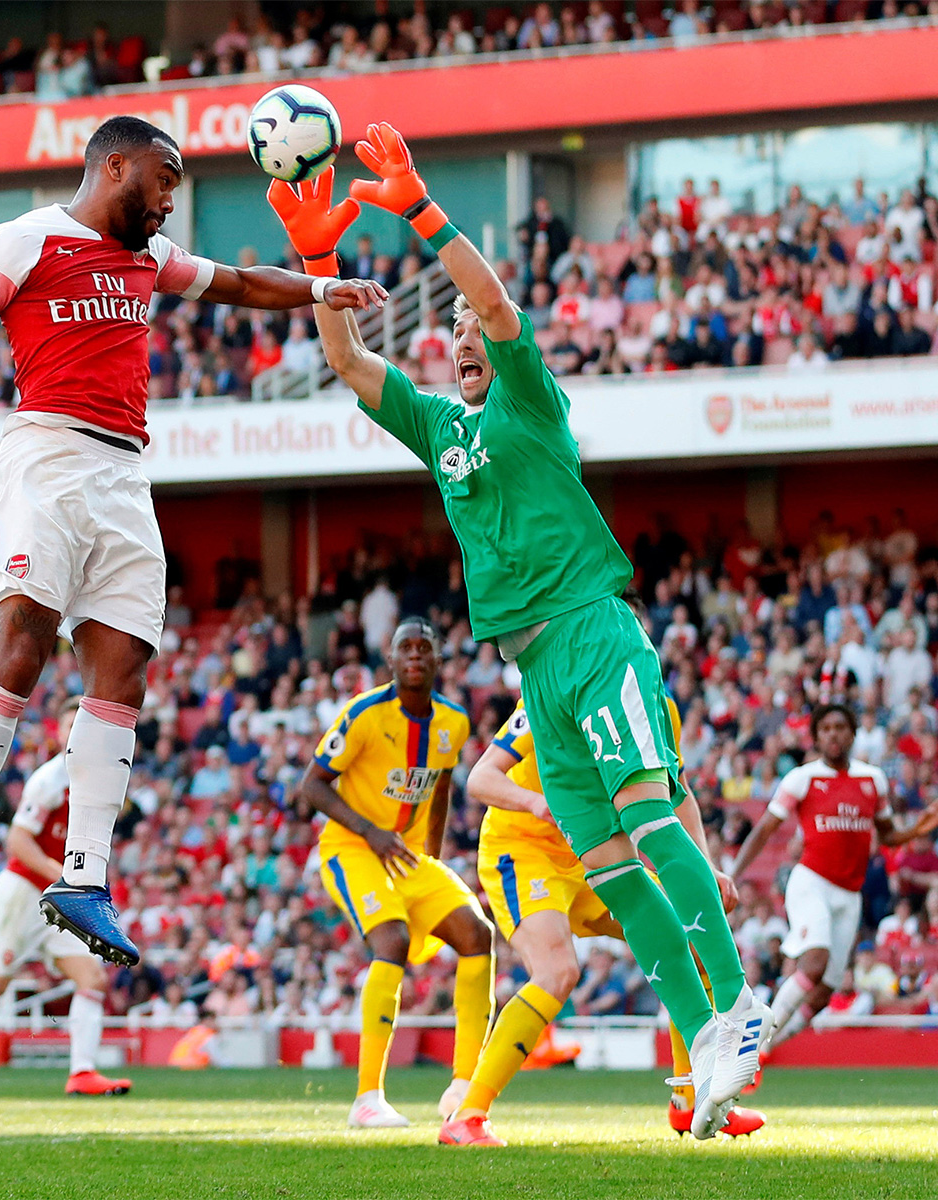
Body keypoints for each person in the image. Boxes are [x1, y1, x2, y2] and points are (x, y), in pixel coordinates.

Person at [269, 124, 765, 1140]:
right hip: (535, 669)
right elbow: (349, 362)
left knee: (652, 817)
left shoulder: (530, 400)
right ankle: (701, 1043)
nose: (459, 334)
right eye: (446, 327)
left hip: (593, 631)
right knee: (617, 871)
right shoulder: (437, 429)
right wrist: (317, 262)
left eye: (466, 323)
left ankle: (738, 1003)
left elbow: (494, 301)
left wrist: (417, 210)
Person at [0, 115, 385, 963]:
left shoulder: (149, 261)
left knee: (124, 671)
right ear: (115, 165)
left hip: (125, 474)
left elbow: (242, 285)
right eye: (165, 177)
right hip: (48, 456)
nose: (172, 198)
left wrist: (324, 290)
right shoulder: (24, 239)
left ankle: (85, 877)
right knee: (23, 637)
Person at [453, 693, 764, 1147]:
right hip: (525, 850)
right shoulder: (549, 691)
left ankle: (690, 1099)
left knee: (691, 940)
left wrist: (705, 866)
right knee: (558, 970)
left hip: (598, 853)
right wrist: (535, 803)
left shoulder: (657, 705)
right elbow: (481, 778)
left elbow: (675, 792)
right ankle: (468, 1115)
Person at [295, 618, 493, 1129]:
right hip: (352, 847)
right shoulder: (364, 713)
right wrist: (371, 832)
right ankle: (368, 1098)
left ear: (439, 660)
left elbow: (443, 786)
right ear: (390, 658)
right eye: (406, 646)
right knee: (393, 941)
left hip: (406, 853)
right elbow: (311, 786)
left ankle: (464, 1086)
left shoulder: (453, 721)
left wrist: (433, 852)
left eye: (425, 648)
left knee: (477, 934)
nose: (415, 655)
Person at [0, 698, 132, 1097]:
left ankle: (82, 1073)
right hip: (24, 892)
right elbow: (18, 842)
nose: (76, 734)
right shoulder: (49, 780)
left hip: (57, 898)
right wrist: (65, 876)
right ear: (59, 733)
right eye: (70, 726)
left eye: (82, 727)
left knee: (92, 977)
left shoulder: (92, 780)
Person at [730, 703, 938, 1051]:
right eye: (826, 728)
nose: (833, 734)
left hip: (850, 894)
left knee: (824, 993)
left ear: (853, 733)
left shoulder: (872, 780)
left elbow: (887, 835)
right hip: (811, 881)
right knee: (813, 963)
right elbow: (765, 829)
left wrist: (915, 830)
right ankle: (750, 1046)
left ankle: (765, 1050)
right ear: (816, 736)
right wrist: (732, 874)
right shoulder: (803, 778)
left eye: (841, 727)